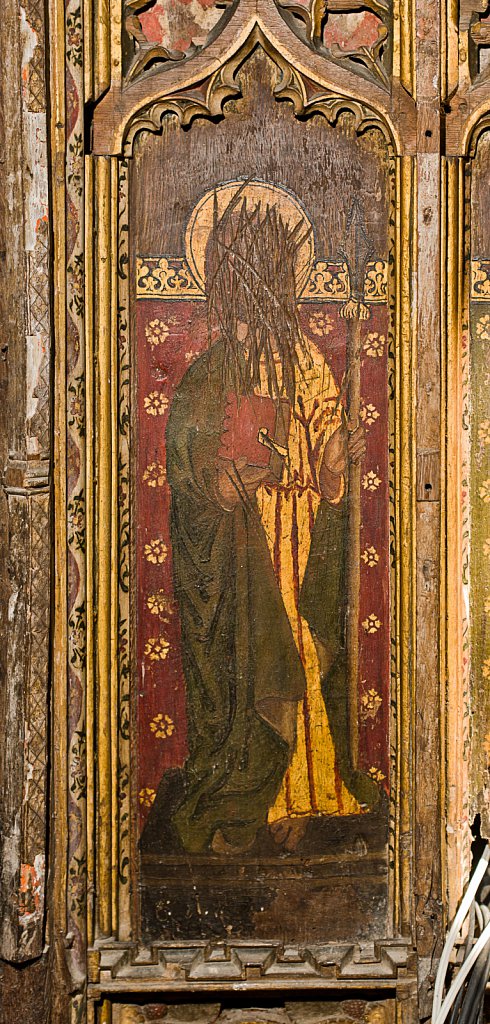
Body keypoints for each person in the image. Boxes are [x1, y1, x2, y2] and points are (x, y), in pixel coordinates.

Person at [143, 188, 378, 857]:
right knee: (251, 667)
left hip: (296, 539)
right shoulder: (208, 371)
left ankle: (312, 792)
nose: (256, 288)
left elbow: (328, 462)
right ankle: (248, 791)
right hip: (240, 547)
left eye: (268, 272)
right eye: (243, 271)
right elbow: (188, 478)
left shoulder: (307, 360)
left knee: (303, 650)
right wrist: (221, 489)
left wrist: (333, 466)